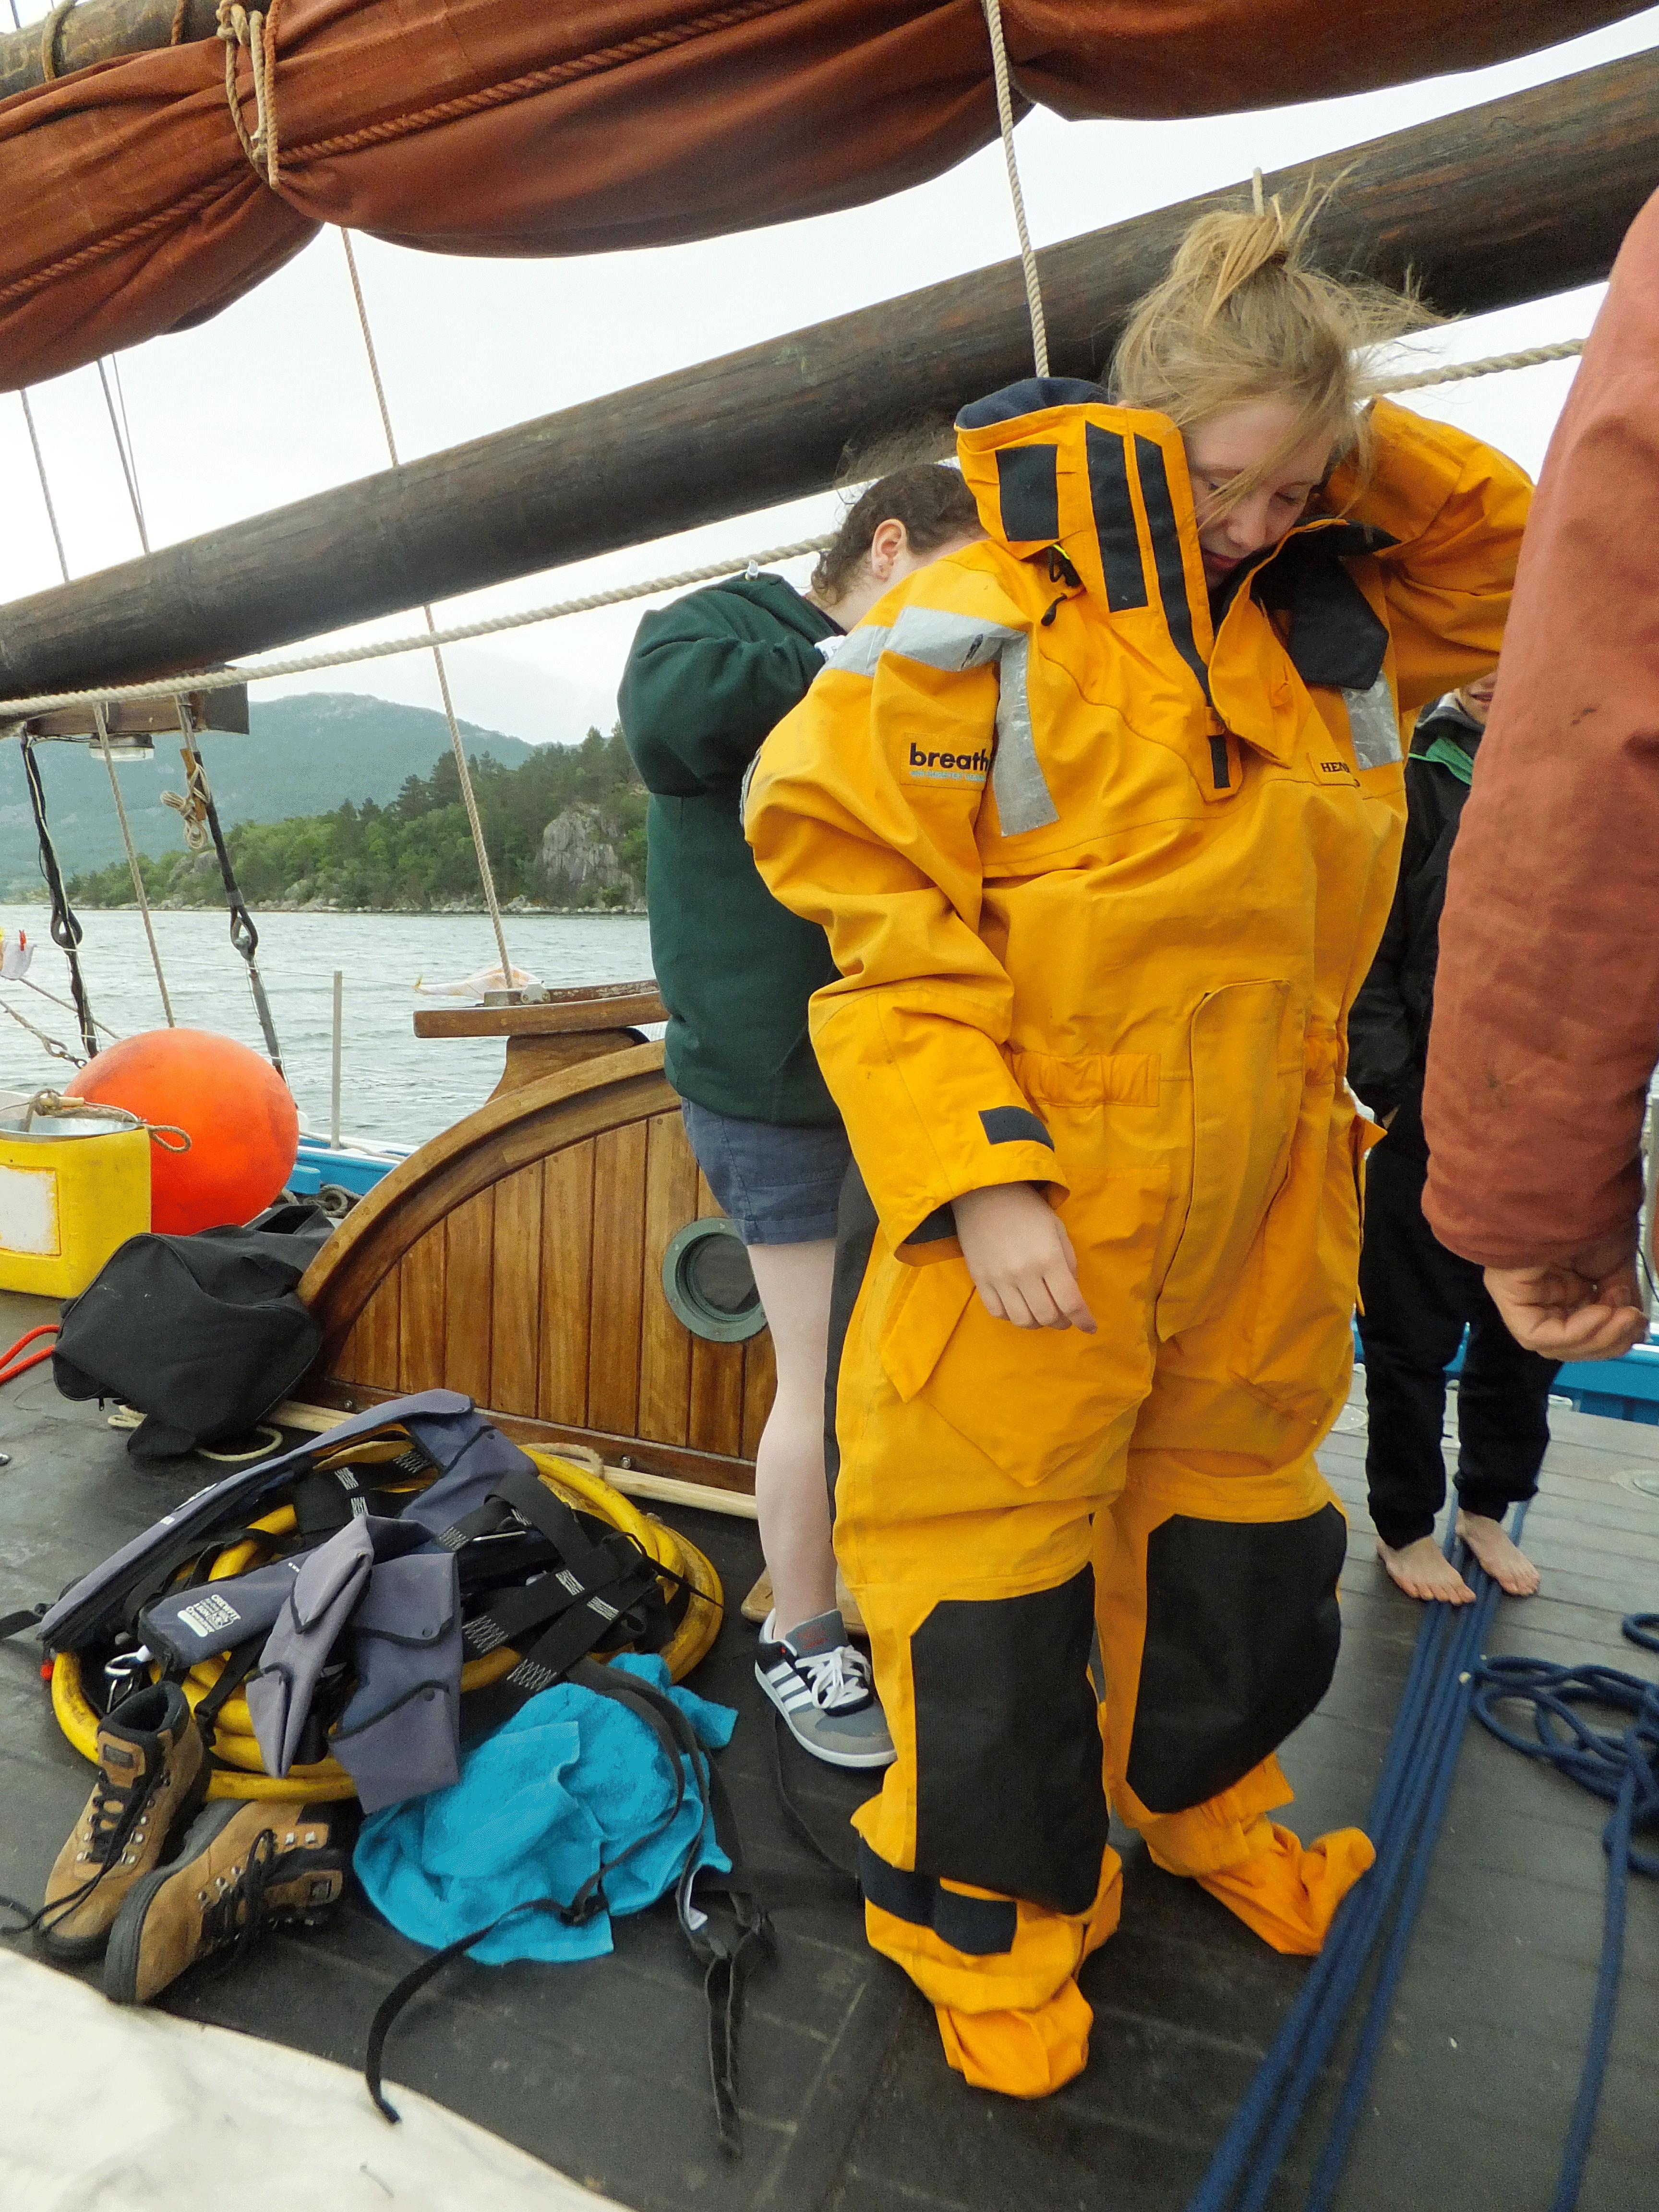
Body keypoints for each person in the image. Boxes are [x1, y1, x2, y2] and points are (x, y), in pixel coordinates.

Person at [745, 196, 1530, 2098]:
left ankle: (1203, 1806)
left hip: (1270, 1179)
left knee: (1239, 1521)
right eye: (1226, 482)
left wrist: (1322, 398)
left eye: (1296, 491)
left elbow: (1530, 555)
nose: (1261, 526)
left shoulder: (1337, 630)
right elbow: (874, 928)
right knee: (992, 1566)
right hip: (1046, 1185)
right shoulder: (972, 626)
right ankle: (988, 1926)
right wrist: (985, 1176)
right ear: (1131, 433)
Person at [618, 466, 984, 1769]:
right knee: (822, 1378)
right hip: (777, 1087)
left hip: (916, 1074)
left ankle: (884, 1587)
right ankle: (805, 1633)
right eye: (959, 588)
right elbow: (668, 725)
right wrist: (874, 658)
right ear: (889, 547)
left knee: (911, 1370)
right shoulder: (723, 631)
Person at [1422, 189, 1659, 1366]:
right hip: (1387, 1112)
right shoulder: (1426, 768)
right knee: (1416, 1352)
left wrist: (1528, 1192)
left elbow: (1601, 746)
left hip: (1470, 1106)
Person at [1348, 669, 1557, 1604]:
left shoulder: (1586, 772)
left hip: (1547, 1119)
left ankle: (1489, 1503)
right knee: (1408, 1332)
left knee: (1528, 1329)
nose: (1490, 667)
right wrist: (1397, 1093)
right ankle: (1403, 1522)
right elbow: (1372, 950)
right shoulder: (1412, 774)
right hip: (1426, 1114)